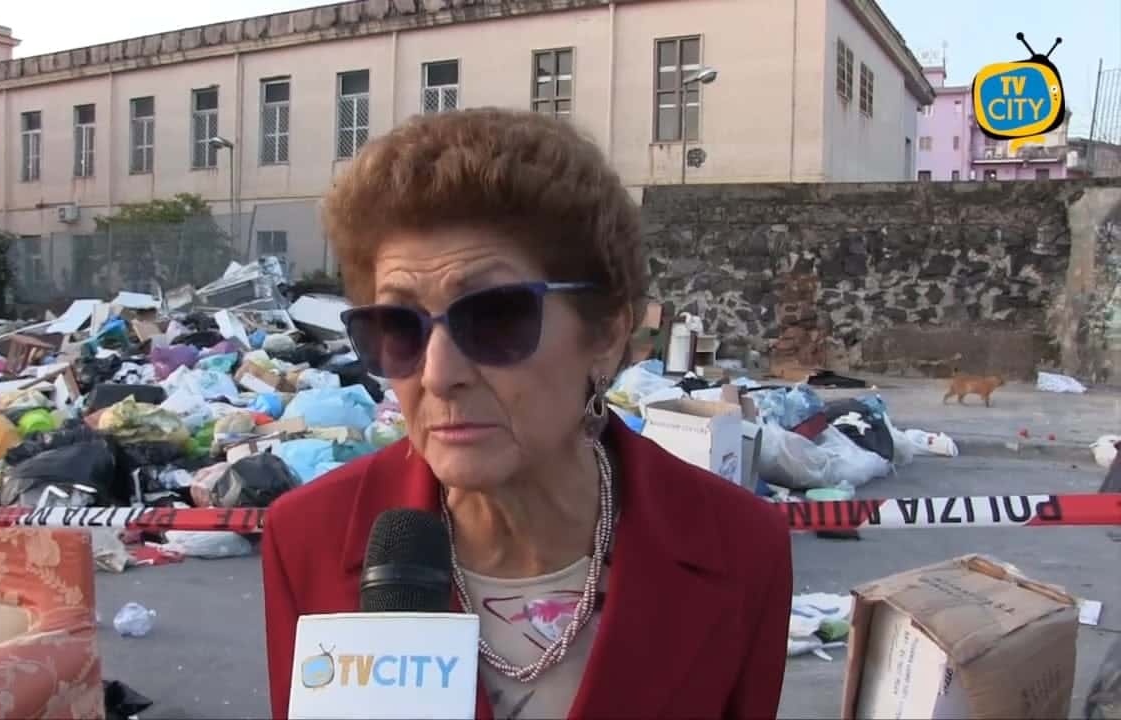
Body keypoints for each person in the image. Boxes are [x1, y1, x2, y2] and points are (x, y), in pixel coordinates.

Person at [261, 107, 792, 720]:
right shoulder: (307, 539)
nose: (437, 374)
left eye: (494, 318)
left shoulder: (741, 548)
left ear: (607, 335)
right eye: (397, 326)